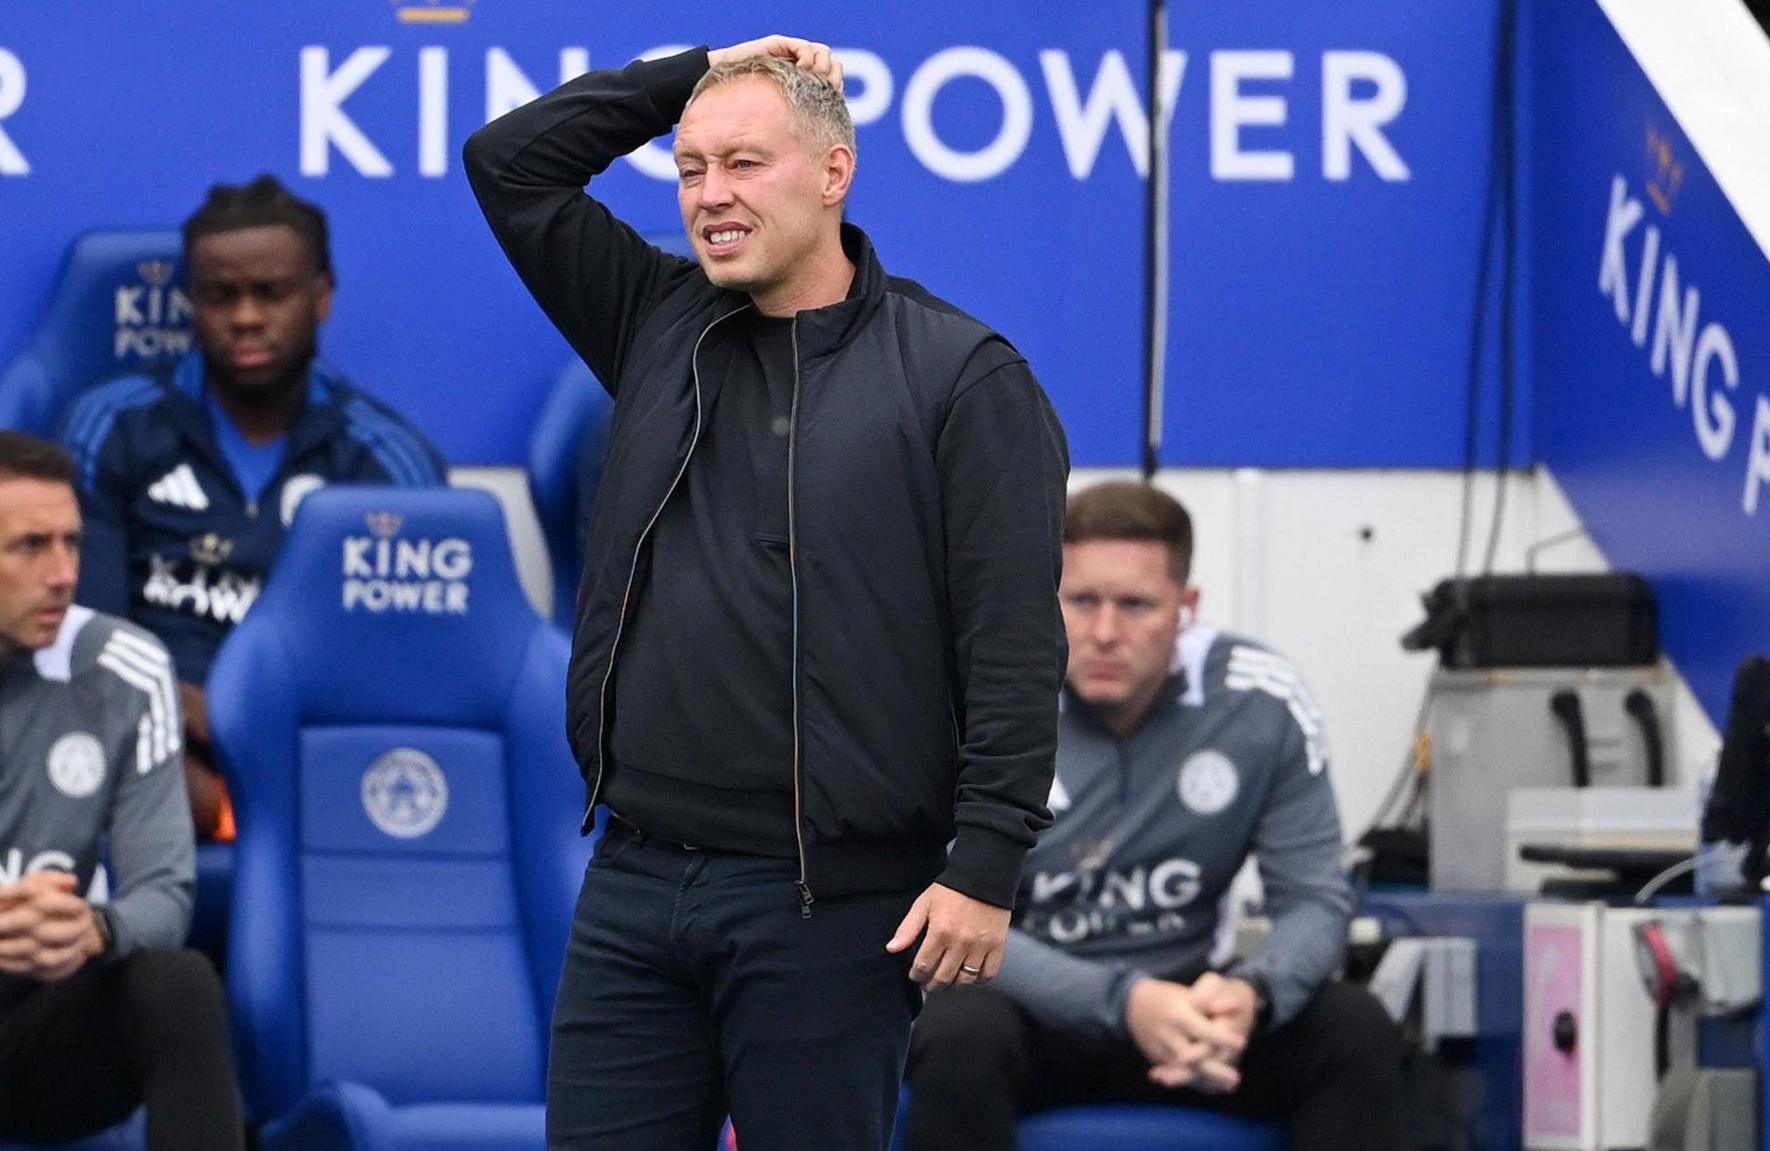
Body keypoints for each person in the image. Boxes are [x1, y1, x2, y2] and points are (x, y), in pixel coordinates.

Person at [465, 35, 1068, 1151]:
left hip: (829, 905)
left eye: (743, 163)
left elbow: (1014, 639)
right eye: (689, 169)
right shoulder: (655, 320)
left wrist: (985, 861)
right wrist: (691, 71)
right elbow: (509, 161)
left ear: (833, 174)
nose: (709, 196)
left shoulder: (960, 376)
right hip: (635, 877)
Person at [905, 481, 1411, 1151]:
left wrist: (1249, 997)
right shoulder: (973, 695)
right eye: (1082, 601)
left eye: (1136, 604)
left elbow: (1317, 900)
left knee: (1356, 1025)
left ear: (1185, 607)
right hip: (1027, 1015)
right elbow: (932, 914)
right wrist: (1124, 1001)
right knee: (956, 1033)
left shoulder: (1260, 700)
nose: (1105, 632)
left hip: (1197, 1015)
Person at [61, 175, 446, 841]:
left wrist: (241, 727)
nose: (245, 317)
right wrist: (180, 742)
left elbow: (403, 672)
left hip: (314, 760)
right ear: (189, 301)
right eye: (220, 295)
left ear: (321, 295)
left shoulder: (388, 462)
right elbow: (85, 642)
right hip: (145, 755)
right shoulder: (110, 428)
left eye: (270, 293)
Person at [0, 431, 241, 1150]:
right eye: (30, 547)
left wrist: (93, 928)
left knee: (178, 982)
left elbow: (163, 894)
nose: (66, 573)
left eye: (72, 542)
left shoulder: (126, 669)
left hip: (37, 1032)